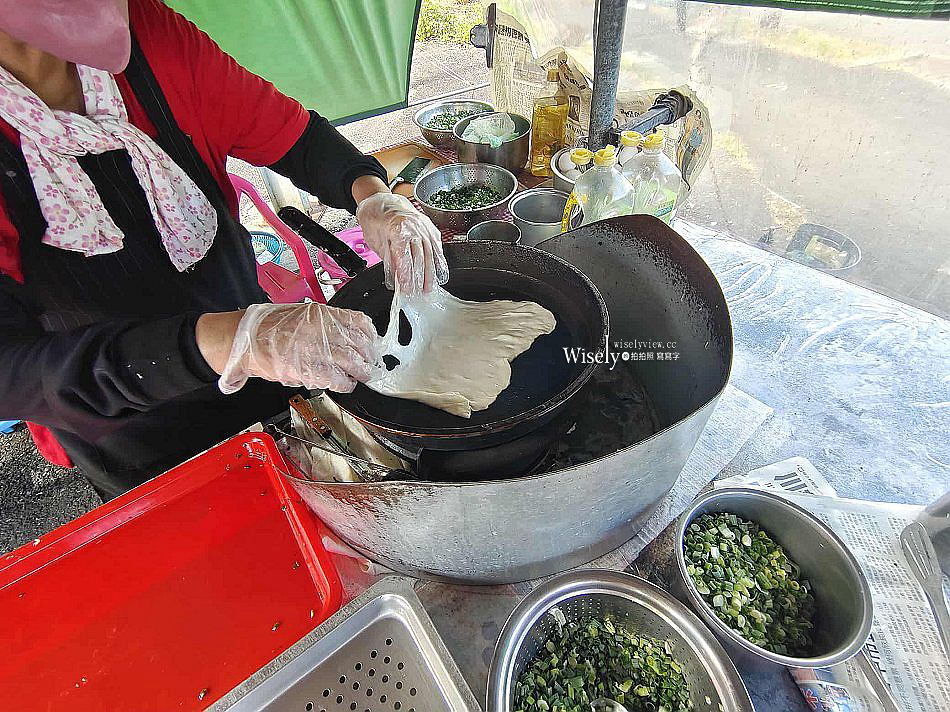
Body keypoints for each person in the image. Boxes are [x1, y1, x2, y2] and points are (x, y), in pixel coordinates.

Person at [0, 0, 448, 498]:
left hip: (268, 361)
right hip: (128, 426)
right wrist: (234, 339)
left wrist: (372, 194)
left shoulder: (143, 31)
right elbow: (11, 372)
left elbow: (294, 138)